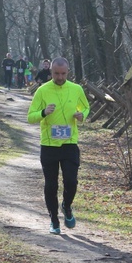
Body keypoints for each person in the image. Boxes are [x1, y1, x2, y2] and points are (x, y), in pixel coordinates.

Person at [27, 57, 90, 234]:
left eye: (63, 74)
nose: (60, 77)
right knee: (51, 185)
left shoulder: (76, 89)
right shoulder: (43, 90)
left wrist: (81, 115)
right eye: (56, 73)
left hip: (70, 144)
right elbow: (30, 116)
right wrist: (43, 112)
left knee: (71, 181)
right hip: (49, 145)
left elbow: (86, 108)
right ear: (51, 72)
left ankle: (67, 206)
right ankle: (54, 221)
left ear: (68, 72)